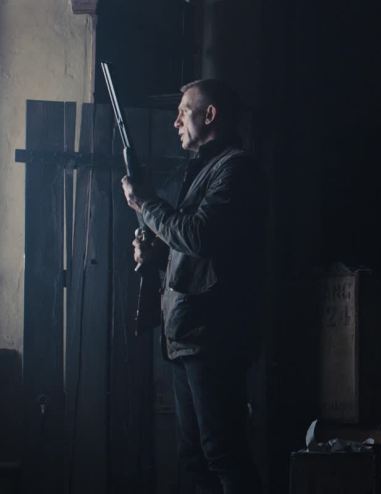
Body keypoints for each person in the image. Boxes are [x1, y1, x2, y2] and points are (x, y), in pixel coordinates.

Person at [122, 79, 266, 494]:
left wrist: (146, 204)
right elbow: (195, 255)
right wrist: (156, 256)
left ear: (210, 115)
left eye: (183, 111)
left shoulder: (236, 169)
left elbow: (200, 235)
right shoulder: (204, 169)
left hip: (214, 336)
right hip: (188, 333)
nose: (175, 122)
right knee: (195, 457)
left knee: (222, 452)